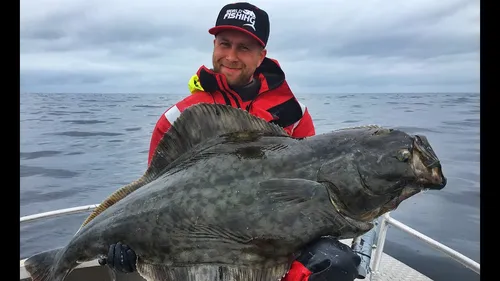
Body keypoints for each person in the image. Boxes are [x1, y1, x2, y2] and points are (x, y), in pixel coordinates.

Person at [99, 2, 361, 281]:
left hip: (272, 242)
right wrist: (129, 243)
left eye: (244, 48)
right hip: (197, 243)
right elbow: (154, 191)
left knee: (337, 263)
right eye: (225, 44)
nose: (231, 56)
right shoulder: (177, 117)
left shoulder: (294, 115)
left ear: (261, 56)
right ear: (214, 45)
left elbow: (309, 194)